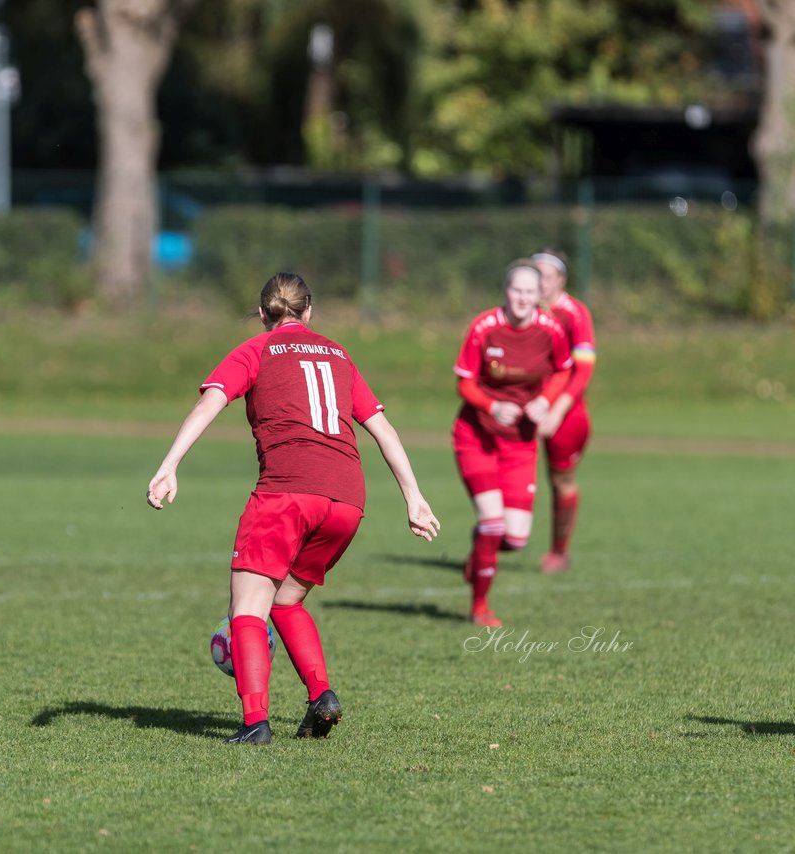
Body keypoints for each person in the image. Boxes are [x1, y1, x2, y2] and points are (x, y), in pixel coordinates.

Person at [146, 272, 440, 745]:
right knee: (286, 600)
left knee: (247, 609)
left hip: (286, 492)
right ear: (309, 311)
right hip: (347, 498)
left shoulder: (255, 350)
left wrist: (169, 464)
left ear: (263, 314)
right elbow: (383, 428)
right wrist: (414, 497)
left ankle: (254, 723)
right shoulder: (339, 354)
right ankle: (321, 695)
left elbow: (210, 404)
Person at [452, 260, 572, 627]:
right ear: (506, 291)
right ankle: (479, 608)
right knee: (492, 524)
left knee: (515, 539)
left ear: (540, 295)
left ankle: (480, 551)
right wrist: (491, 405)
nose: (522, 298)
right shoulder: (483, 328)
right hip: (477, 438)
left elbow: (565, 369)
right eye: (516, 290)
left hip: (520, 444)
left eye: (529, 292)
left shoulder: (551, 329)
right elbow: (465, 382)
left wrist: (545, 400)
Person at [532, 248, 596, 574]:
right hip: (526, 409)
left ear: (561, 279)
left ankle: (559, 552)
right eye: (535, 273)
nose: (539, 281)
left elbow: (583, 371)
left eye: (546, 275)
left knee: (560, 481)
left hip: (566, 413)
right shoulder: (522, 307)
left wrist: (556, 411)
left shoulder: (574, 313)